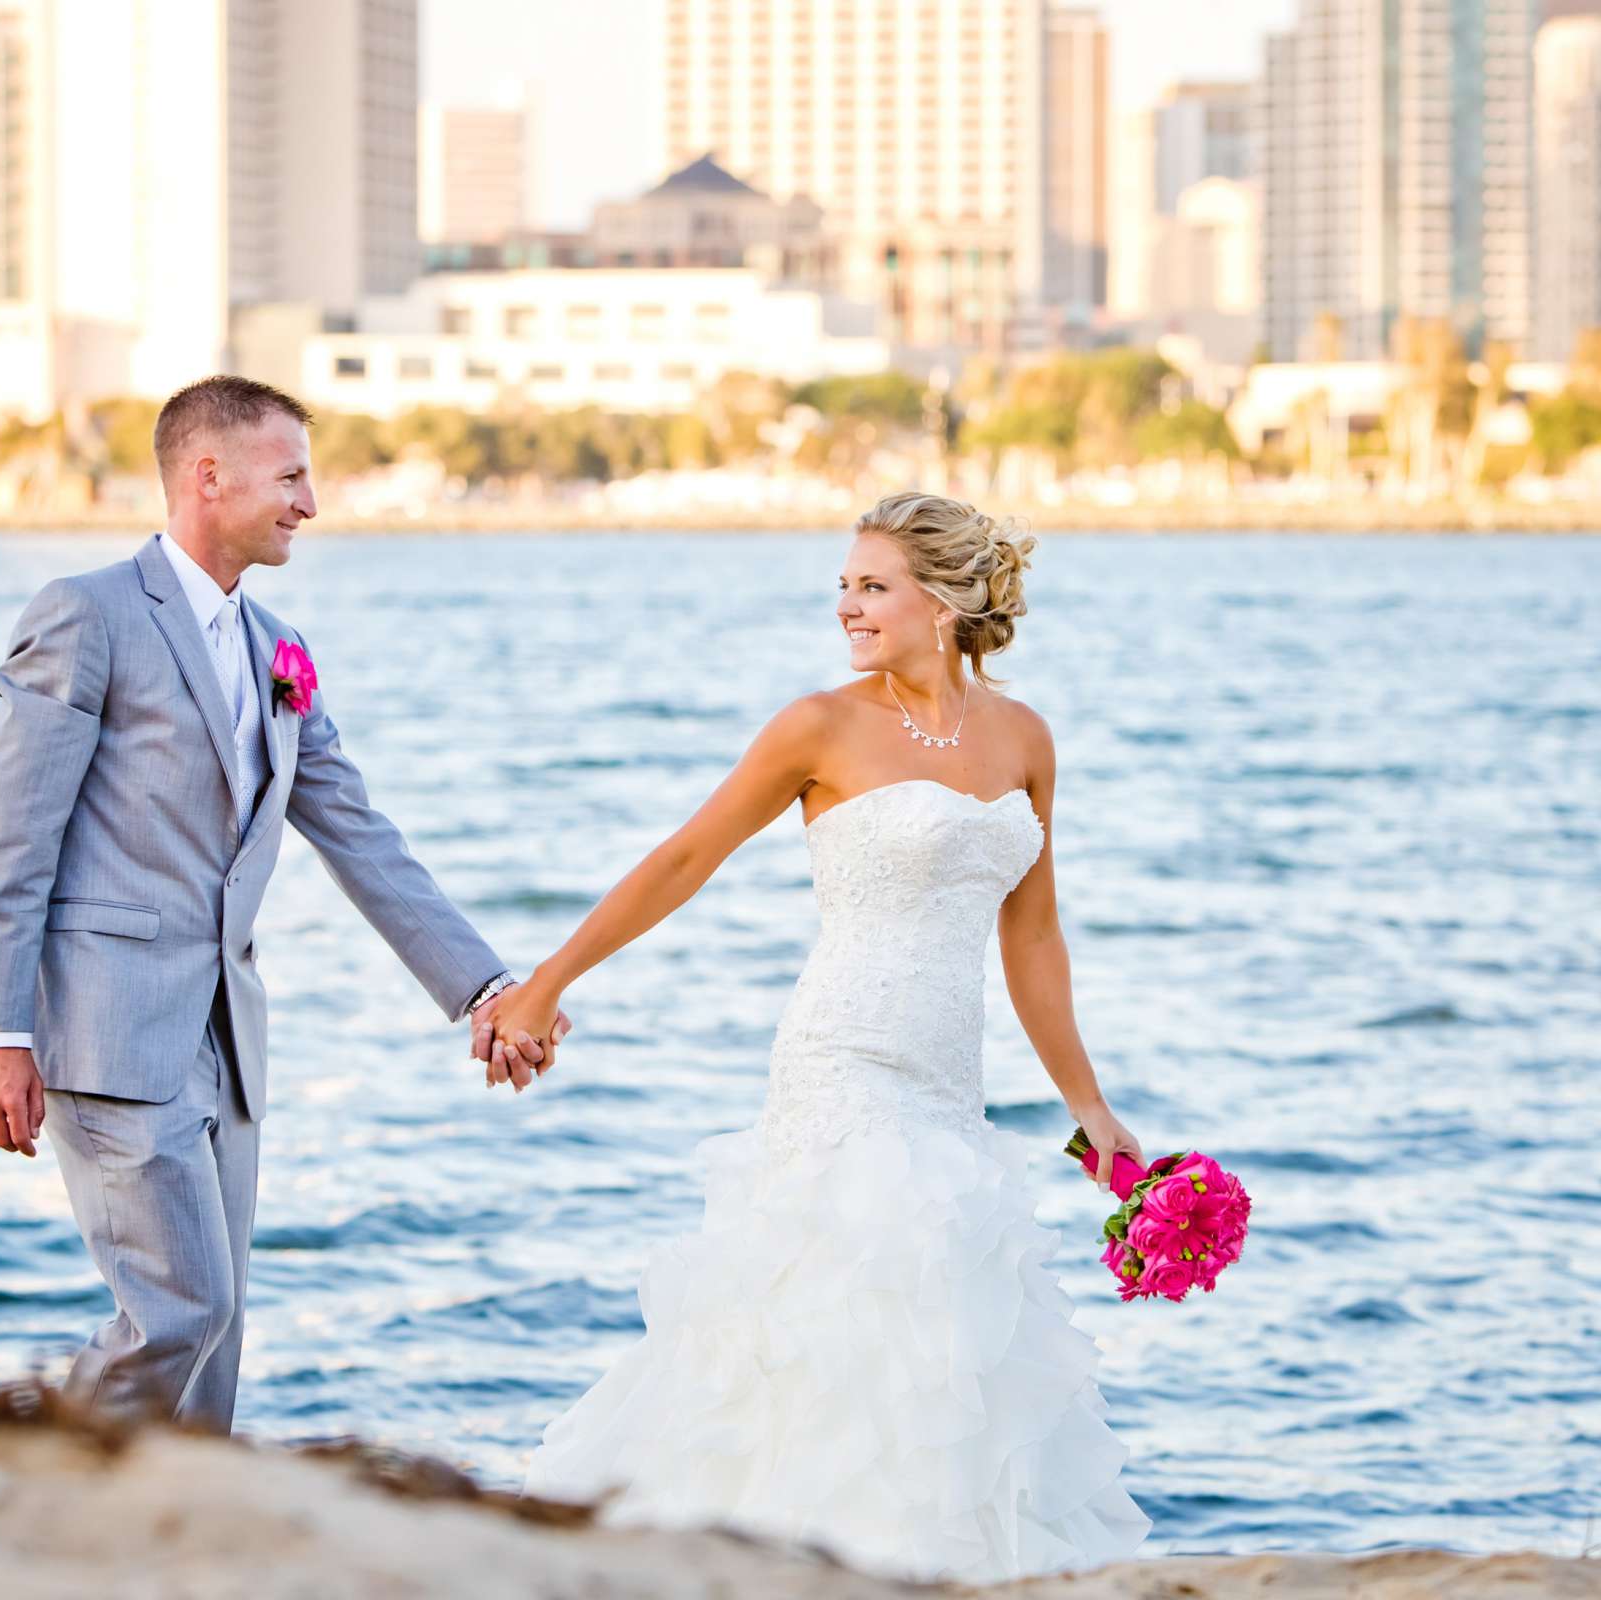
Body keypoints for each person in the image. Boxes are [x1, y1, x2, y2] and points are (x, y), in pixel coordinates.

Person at [489, 491, 1151, 1583]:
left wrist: (1091, 1107)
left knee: (939, 1326)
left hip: (949, 1082)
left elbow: (1033, 938)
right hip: (841, 1060)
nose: (846, 605)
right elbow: (682, 859)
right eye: (844, 584)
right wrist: (547, 982)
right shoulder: (820, 725)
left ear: (940, 601)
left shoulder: (1024, 737)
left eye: (871, 585)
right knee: (854, 1302)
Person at [0, 375, 566, 1433]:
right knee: (182, 1305)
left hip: (227, 1041)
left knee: (217, 1340)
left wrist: (486, 986)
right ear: (208, 476)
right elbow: (15, 835)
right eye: (291, 476)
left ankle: (175, 1548)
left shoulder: (276, 646)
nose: (310, 504)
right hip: (107, 1026)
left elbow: (359, 835)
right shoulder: (86, 615)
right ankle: (19, 1483)